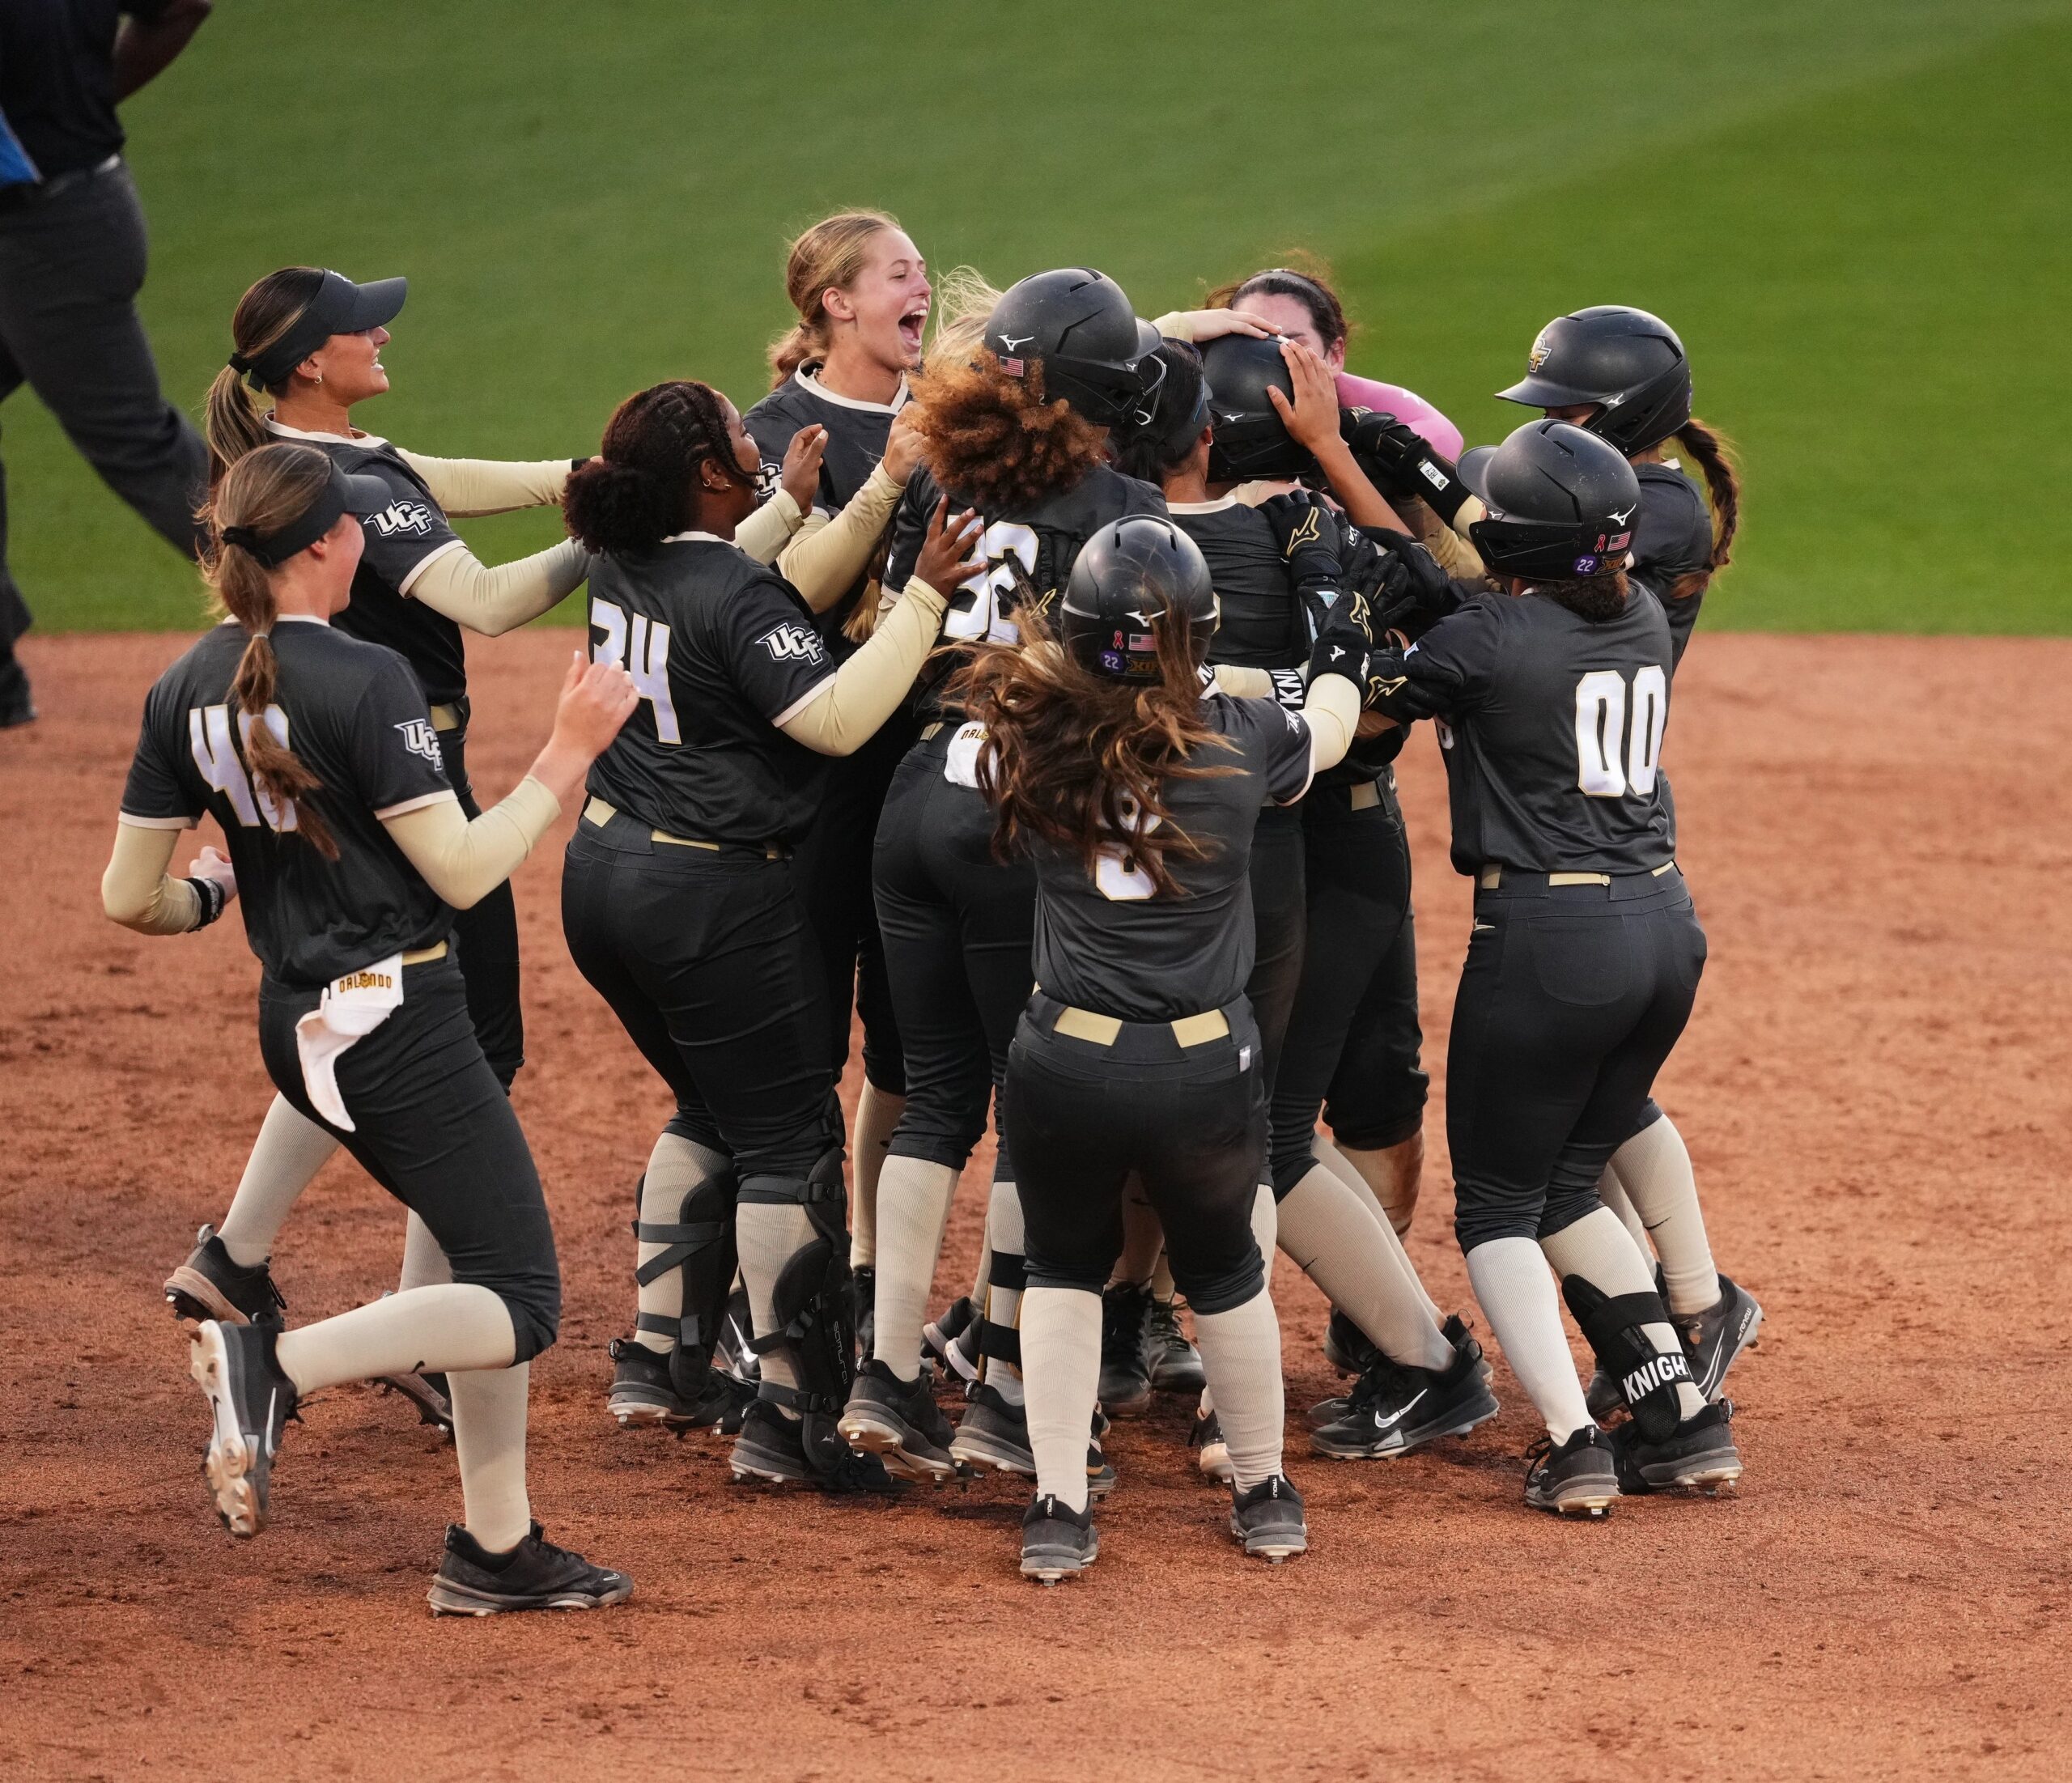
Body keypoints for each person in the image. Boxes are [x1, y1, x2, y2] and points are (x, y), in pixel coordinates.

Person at [160, 266, 824, 1432]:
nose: (382, 330)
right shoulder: (347, 482)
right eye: (359, 324)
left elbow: (467, 481)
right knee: (462, 1042)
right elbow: (486, 599)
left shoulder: (306, 461)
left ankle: (244, 1250)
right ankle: (408, 1301)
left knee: (354, 1008)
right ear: (310, 361)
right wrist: (624, 537)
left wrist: (603, 493)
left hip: (336, 780)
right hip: (410, 784)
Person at [104, 439, 639, 1611]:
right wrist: (567, 752)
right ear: (321, 548)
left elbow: (128, 897)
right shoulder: (366, 676)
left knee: (483, 1254)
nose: (367, 540)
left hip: (298, 1020)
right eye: (354, 526)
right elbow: (459, 870)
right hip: (397, 1016)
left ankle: (495, 1546)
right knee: (525, 1300)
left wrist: (217, 887)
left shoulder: (181, 683)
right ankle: (274, 1364)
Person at [554, 376, 979, 1491]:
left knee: (712, 1103)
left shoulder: (620, 557)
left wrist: (789, 510)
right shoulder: (734, 596)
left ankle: (660, 1356)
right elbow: (833, 719)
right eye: (741, 437)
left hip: (601, 876)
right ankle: (793, 1412)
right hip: (706, 900)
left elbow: (726, 571)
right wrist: (925, 597)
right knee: (791, 1139)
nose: (759, 437)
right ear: (704, 474)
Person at [949, 514, 1371, 1578]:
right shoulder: (1241, 736)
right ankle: (1266, 1492)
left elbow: (996, 725)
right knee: (1226, 1275)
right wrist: (1338, 645)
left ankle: (1054, 1504)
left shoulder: (1020, 735)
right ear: (1201, 635)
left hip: (1066, 1062)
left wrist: (1092, 662)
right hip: (1201, 1066)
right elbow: (1326, 722)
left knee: (1060, 1269)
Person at [1360, 419, 1744, 1513]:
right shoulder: (1640, 611)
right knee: (1569, 1180)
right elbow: (1510, 556)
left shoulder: (1484, 638)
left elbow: (1369, 703)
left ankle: (1574, 1438)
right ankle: (1684, 1422)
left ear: (1513, 548)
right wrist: (1416, 475)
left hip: (1549, 946)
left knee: (1493, 1205)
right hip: (1665, 933)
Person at [1130, 335, 1499, 1467]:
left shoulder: (1146, 551)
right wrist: (1340, 454)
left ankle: (1427, 1362)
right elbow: (1448, 594)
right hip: (1319, 846)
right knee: (1244, 1126)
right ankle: (1412, 1360)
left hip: (1316, 863)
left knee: (1266, 1130)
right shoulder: (1312, 541)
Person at [834, 268, 1171, 1488]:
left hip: (912, 801)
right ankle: (1009, 1388)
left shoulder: (938, 475)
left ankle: (882, 1372)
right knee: (1038, 1109)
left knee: (932, 1095)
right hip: (1015, 821)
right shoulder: (1129, 505)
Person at [1488, 304, 1760, 1414]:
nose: (1547, 423)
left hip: (1591, 823)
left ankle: (1692, 1303)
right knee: (1593, 1088)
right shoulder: (1627, 494)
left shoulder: (1656, 512)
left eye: (1567, 409)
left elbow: (1493, 550)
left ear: (1622, 417)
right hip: (1600, 811)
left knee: (1571, 1105)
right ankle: (1692, 1301)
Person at [1162, 262, 1457, 1249]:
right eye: (1239, 347)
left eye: (1286, 351)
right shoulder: (1177, 514)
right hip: (1226, 826)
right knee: (1217, 1082)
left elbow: (1430, 593)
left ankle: (1385, 1339)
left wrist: (1332, 452)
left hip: (1344, 824)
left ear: (1332, 363)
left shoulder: (1376, 460)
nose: (1262, 373)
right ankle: (1154, 1305)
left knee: (1370, 1084)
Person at [742, 210, 935, 1352]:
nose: (922, 285)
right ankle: (762, 1309)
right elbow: (763, 610)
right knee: (802, 1055)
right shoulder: (773, 435)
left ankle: (862, 1265)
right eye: (899, 272)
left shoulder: (946, 419)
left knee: (909, 1051)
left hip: (914, 789)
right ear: (834, 305)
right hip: (809, 795)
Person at [0, 0, 214, 728]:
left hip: (46, 239)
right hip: (79, 206)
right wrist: (81, 103)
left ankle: (336, 610)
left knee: (139, 446)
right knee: (139, 442)